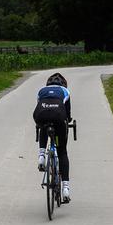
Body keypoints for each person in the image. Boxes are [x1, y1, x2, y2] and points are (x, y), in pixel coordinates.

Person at [33, 72, 72, 202]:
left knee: (43, 125)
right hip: (59, 117)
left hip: (40, 115)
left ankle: (41, 155)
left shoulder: (41, 90)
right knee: (62, 152)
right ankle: (65, 188)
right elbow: (68, 114)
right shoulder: (65, 91)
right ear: (63, 83)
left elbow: (39, 105)